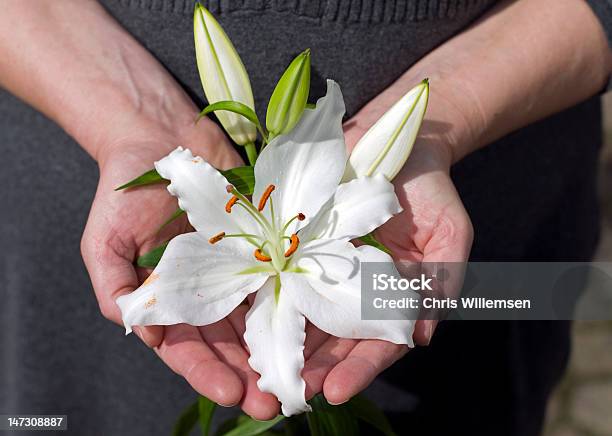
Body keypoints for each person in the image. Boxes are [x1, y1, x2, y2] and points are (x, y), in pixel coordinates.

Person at [0, 0, 610, 434]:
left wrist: (442, 119)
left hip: (495, 230)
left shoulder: (377, 202)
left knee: (487, 405)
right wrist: (123, 115)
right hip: (63, 184)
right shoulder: (194, 190)